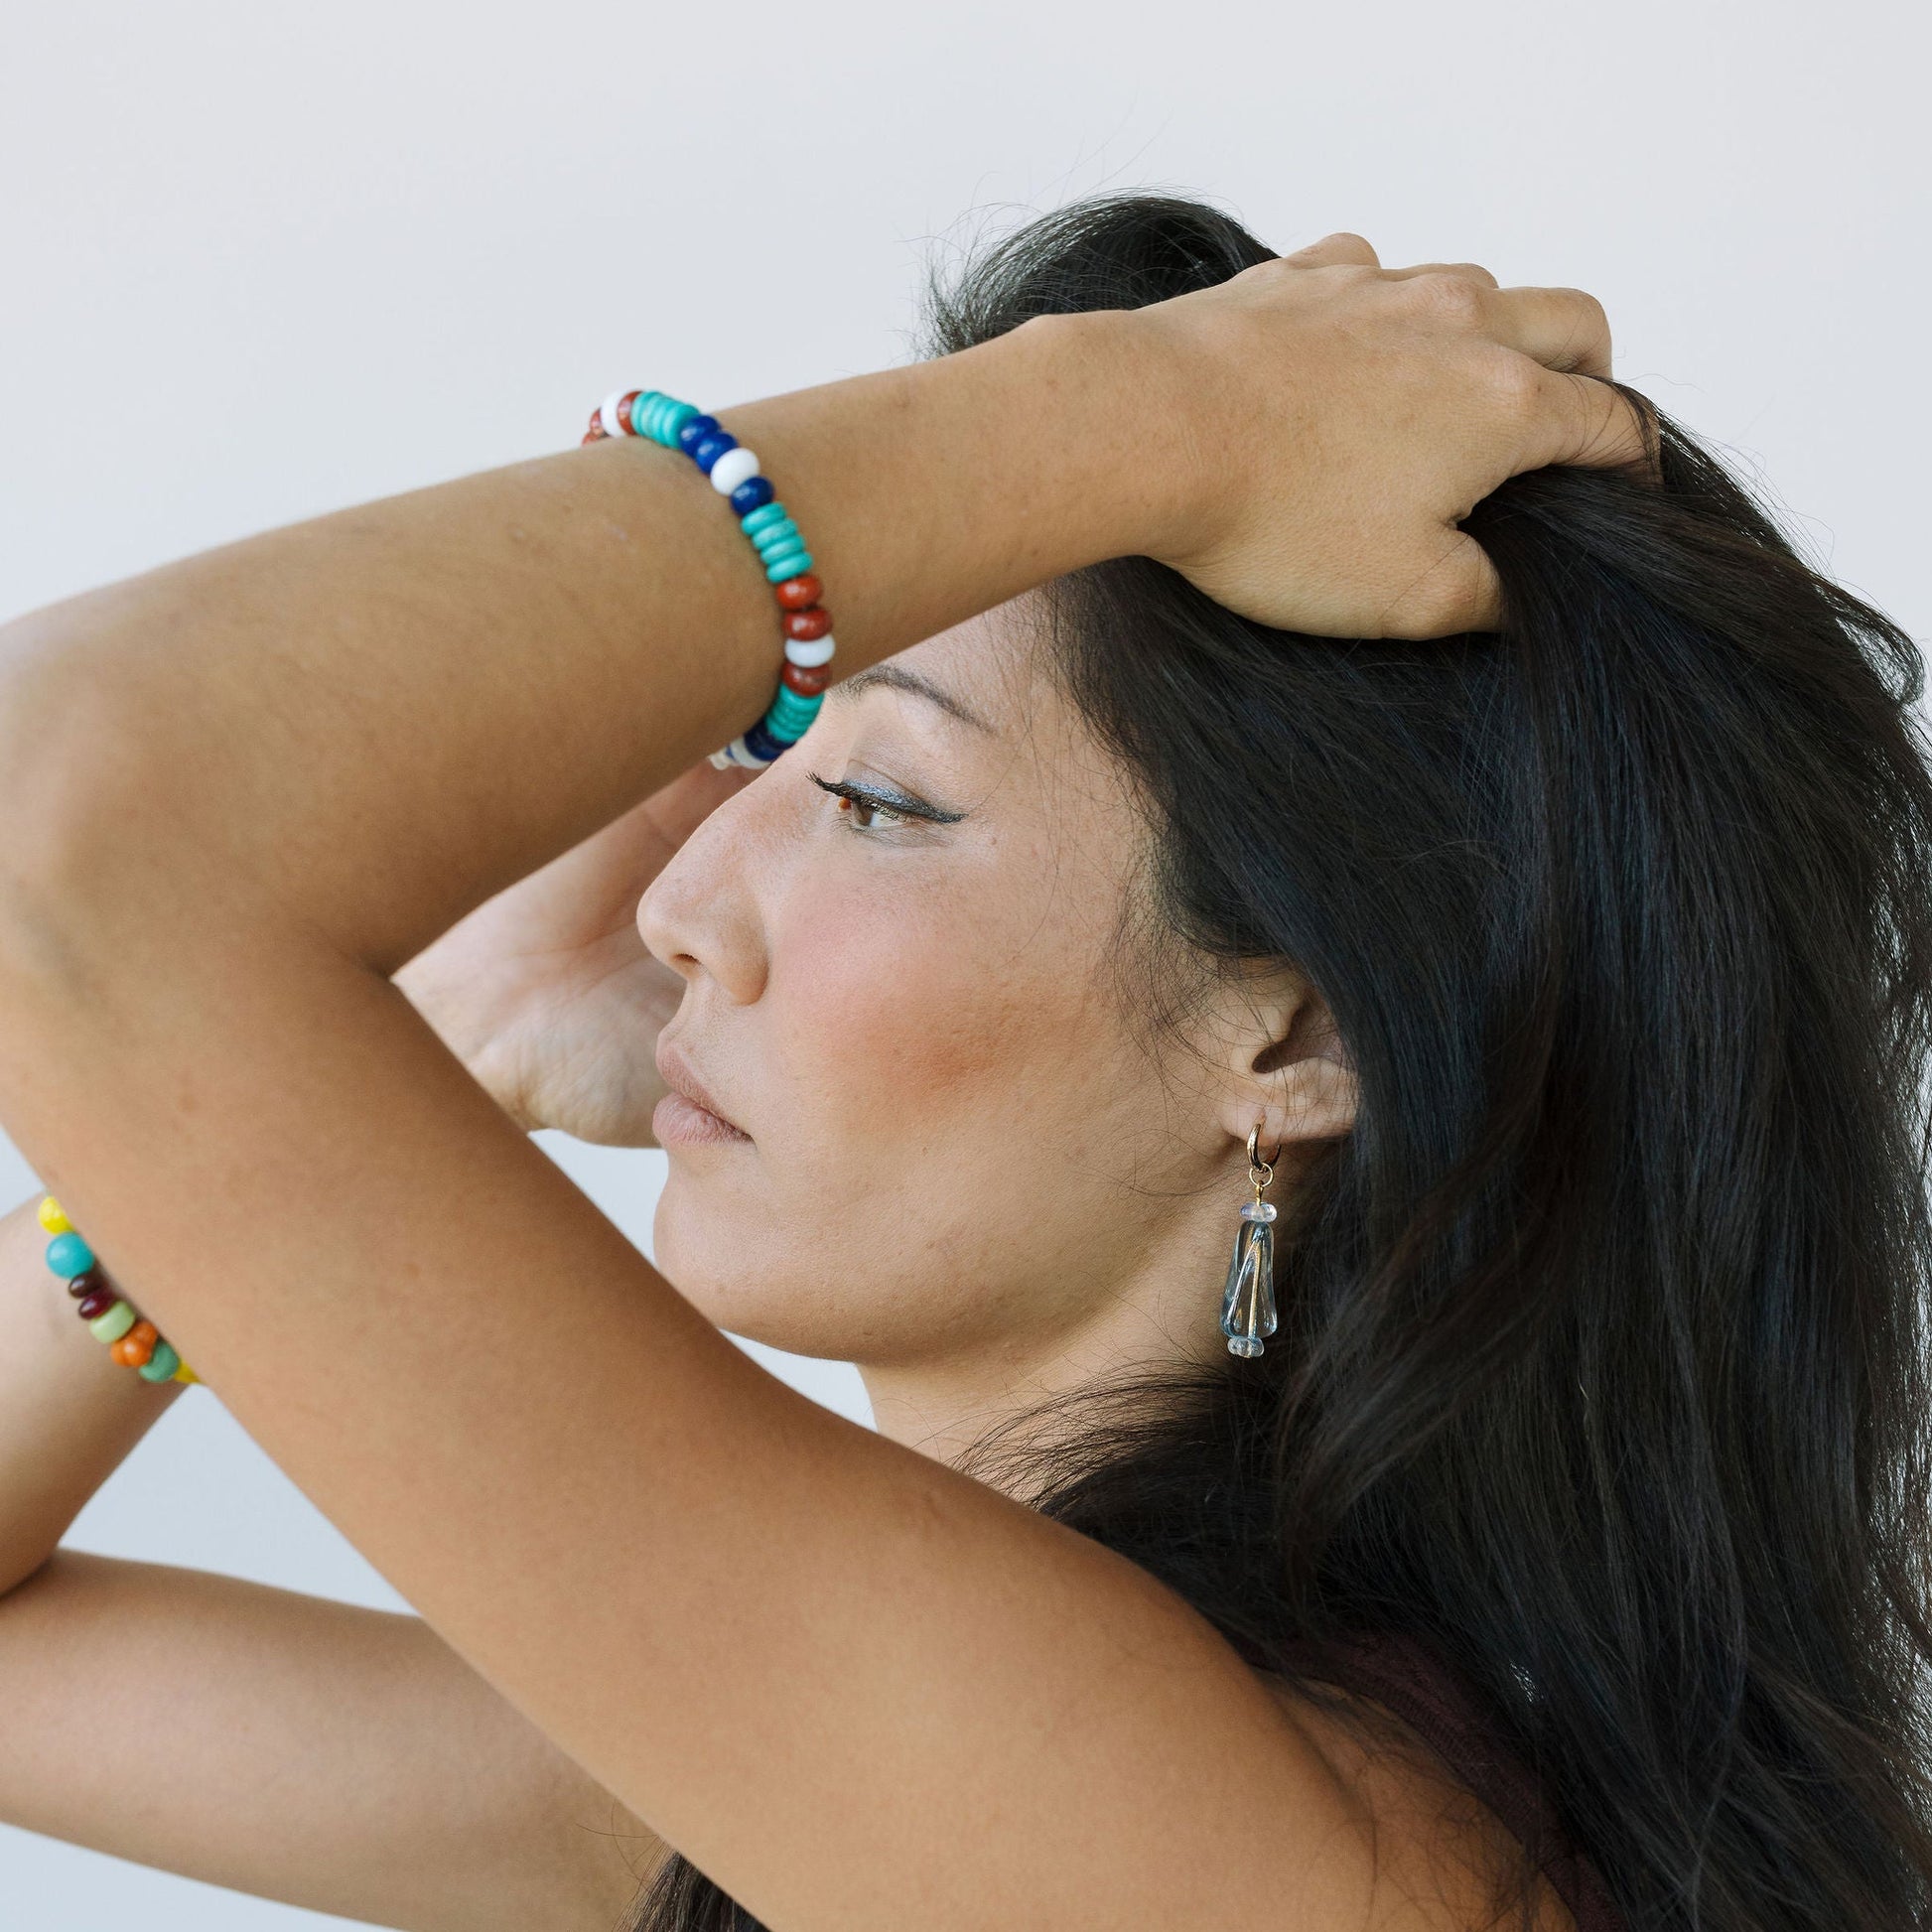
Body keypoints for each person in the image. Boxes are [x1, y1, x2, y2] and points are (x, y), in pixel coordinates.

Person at [0, 193, 1927, 1932]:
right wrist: (442, 1039)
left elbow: (56, 830)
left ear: (1293, 1026)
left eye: (881, 800)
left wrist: (1154, 419)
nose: (679, 899)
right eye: (772, 766)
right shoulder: (940, 1796)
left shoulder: (1196, 1833)